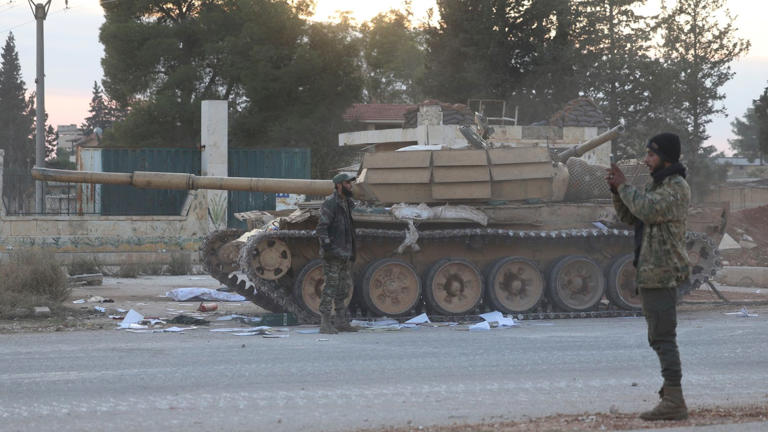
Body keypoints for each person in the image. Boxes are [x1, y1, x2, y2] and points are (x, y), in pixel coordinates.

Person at [606, 133, 690, 421]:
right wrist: (618, 193)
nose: (646, 160)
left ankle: (675, 401)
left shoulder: (676, 187)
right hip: (652, 271)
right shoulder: (659, 185)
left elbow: (647, 209)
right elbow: (632, 216)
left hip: (662, 272)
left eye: (651, 155)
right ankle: (670, 393)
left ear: (666, 157)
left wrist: (625, 187)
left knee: (663, 337)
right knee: (659, 336)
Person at [315, 173, 358, 334]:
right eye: (347, 183)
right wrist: (327, 247)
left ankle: (341, 321)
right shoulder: (331, 203)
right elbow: (321, 228)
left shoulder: (347, 203)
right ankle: (325, 323)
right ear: (339, 185)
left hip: (345, 252)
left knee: (343, 288)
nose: (350, 186)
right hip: (333, 253)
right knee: (330, 287)